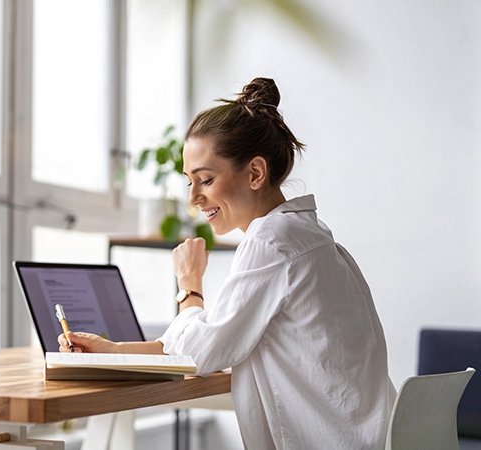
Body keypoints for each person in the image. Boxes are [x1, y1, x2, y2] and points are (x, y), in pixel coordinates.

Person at [58, 78, 396, 449]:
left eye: (205, 180)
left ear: (255, 173)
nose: (193, 198)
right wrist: (117, 351)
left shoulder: (271, 241)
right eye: (189, 182)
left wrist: (189, 283)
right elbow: (210, 339)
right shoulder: (306, 234)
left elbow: (199, 353)